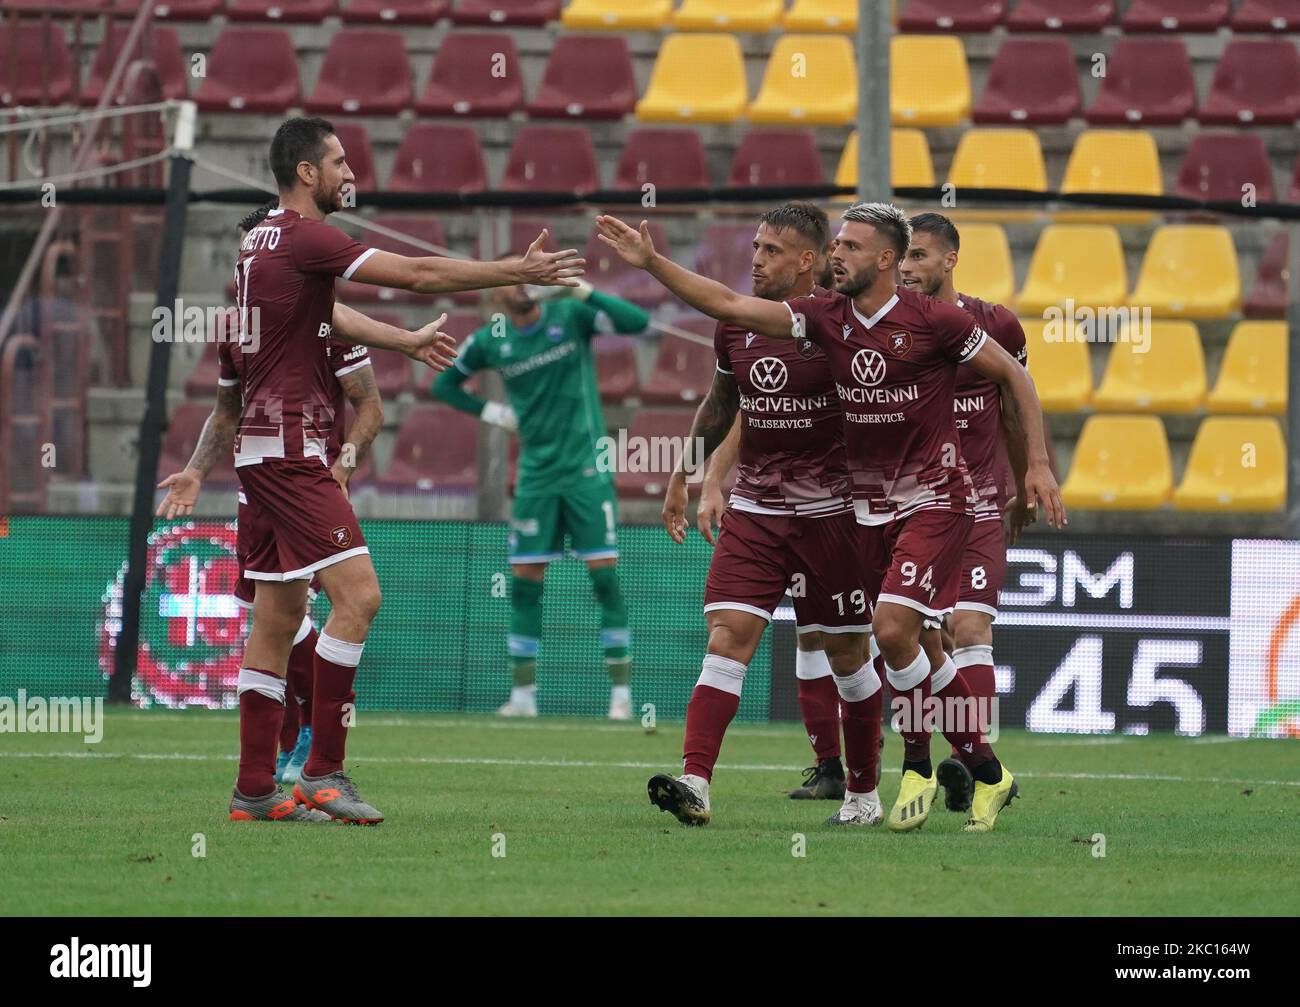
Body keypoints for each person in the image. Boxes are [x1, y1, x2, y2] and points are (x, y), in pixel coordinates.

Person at [160, 115, 584, 823]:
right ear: (305, 172)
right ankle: (324, 770)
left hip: (257, 459)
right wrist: (518, 269)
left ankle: (254, 790)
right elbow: (418, 273)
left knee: (277, 618)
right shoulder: (304, 237)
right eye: (338, 160)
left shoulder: (253, 257)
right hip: (295, 454)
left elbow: (239, 389)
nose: (349, 171)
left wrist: (200, 468)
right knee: (359, 599)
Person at [596, 202, 1064, 833]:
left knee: (881, 640)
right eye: (836, 242)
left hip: (893, 506)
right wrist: (699, 472)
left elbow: (1012, 383)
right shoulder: (818, 318)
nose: (838, 252)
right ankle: (701, 780)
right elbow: (733, 371)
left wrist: (1033, 466)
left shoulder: (928, 324)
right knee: (785, 636)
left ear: (880, 259)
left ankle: (912, 772)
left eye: (850, 244)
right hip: (816, 510)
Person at [647, 202, 884, 827]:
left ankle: (863, 793)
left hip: (833, 516)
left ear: (809, 261)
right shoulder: (736, 330)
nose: (756, 258)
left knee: (849, 656)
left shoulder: (841, 322)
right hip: (757, 512)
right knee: (728, 636)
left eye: (771, 250)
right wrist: (686, 474)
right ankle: (695, 782)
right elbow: (726, 404)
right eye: (754, 247)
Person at [432, 268, 649, 720]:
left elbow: (637, 323)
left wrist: (584, 289)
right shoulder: (492, 340)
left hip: (586, 471)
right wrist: (492, 411)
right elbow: (443, 383)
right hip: (535, 477)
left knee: (605, 578)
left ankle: (621, 697)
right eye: (513, 278)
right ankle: (524, 698)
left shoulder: (569, 315)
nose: (522, 285)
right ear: (499, 294)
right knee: (526, 585)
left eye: (527, 277)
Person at [899, 211, 1056, 812]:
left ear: (949, 260)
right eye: (904, 256)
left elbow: (1017, 405)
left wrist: (1029, 475)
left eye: (920, 256)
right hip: (912, 507)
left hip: (982, 501)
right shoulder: (888, 332)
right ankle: (961, 764)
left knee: (969, 627)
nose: (910, 266)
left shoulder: (997, 326)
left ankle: (976, 762)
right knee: (912, 635)